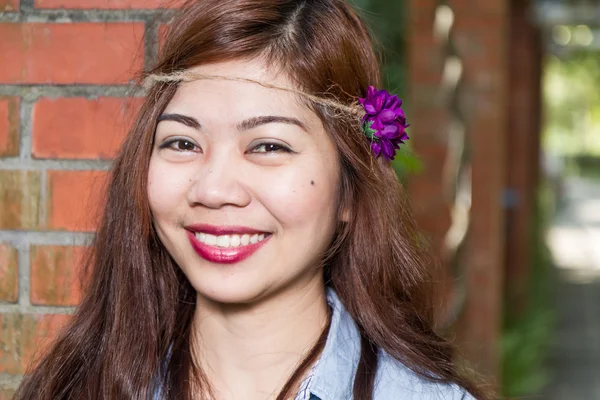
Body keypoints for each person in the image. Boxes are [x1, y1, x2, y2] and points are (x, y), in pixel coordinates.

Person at [15, 0, 491, 399]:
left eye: (268, 146)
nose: (214, 190)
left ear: (350, 188)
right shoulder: (75, 387)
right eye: (182, 143)